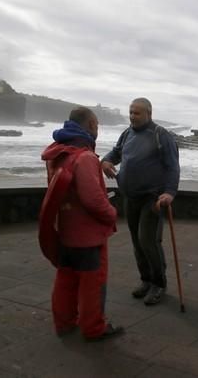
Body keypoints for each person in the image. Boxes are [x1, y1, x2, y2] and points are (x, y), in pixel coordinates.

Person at [41, 107, 123, 341]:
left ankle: (64, 323)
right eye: (96, 125)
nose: (97, 130)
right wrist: (111, 212)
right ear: (89, 125)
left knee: (66, 278)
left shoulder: (57, 153)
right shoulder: (84, 157)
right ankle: (94, 328)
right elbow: (93, 200)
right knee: (92, 284)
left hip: (65, 230)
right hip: (87, 235)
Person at [101, 98, 180, 305]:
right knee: (137, 242)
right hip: (130, 196)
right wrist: (106, 161)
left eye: (136, 113)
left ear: (149, 113)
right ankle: (146, 280)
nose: (132, 117)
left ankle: (158, 284)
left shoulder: (160, 135)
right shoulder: (127, 133)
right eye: (130, 112)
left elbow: (173, 166)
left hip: (152, 198)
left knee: (148, 241)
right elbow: (117, 152)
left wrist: (170, 192)